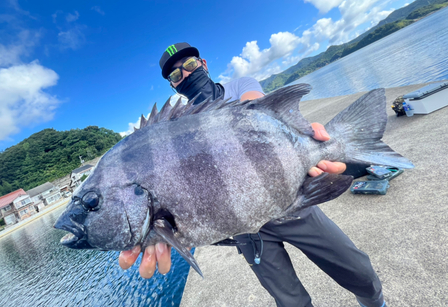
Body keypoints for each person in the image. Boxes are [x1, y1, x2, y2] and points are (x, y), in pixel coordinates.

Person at [119, 43, 387, 307]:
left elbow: (257, 109)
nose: (185, 75)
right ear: (173, 86)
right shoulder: (176, 130)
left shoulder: (239, 87)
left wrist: (307, 141)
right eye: (176, 75)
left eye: (188, 65)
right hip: (247, 231)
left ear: (204, 64)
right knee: (290, 301)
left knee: (360, 273)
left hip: (289, 199)